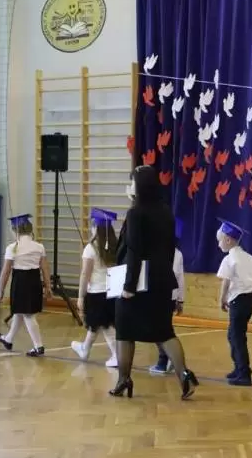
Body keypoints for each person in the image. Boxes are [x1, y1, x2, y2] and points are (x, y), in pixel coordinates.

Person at [110, 165, 198, 400]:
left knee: (124, 330)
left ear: (139, 186)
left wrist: (128, 287)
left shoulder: (136, 213)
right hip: (161, 281)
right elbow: (169, 249)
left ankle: (123, 379)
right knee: (164, 331)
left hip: (139, 283)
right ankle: (185, 375)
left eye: (132, 183)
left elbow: (134, 251)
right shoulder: (165, 211)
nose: (129, 187)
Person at [216, 218, 252, 386]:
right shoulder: (250, 258)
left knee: (237, 336)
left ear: (228, 240)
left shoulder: (229, 259)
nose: (219, 244)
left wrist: (222, 299)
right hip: (250, 301)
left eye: (220, 240)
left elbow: (226, 281)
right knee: (234, 334)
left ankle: (244, 373)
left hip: (238, 302)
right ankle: (238, 368)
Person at [0, 214, 53, 357]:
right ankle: (8, 339)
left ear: (16, 230)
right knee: (20, 312)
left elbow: (6, 271)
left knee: (28, 315)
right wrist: (48, 286)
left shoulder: (12, 248)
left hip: (20, 283)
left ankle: (38, 346)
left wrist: (0, 290)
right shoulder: (39, 247)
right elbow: (45, 268)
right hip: (34, 281)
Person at [71, 207, 119, 367]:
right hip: (112, 292)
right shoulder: (115, 246)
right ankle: (85, 348)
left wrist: (80, 296)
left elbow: (85, 274)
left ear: (95, 228)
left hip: (97, 293)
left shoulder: (90, 248)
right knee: (97, 323)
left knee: (105, 325)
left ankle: (116, 355)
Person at [150, 218, 185, 375]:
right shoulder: (178, 253)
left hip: (159, 295)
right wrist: (180, 299)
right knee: (164, 327)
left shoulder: (157, 251)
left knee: (159, 329)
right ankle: (168, 358)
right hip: (170, 297)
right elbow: (180, 279)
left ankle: (163, 361)